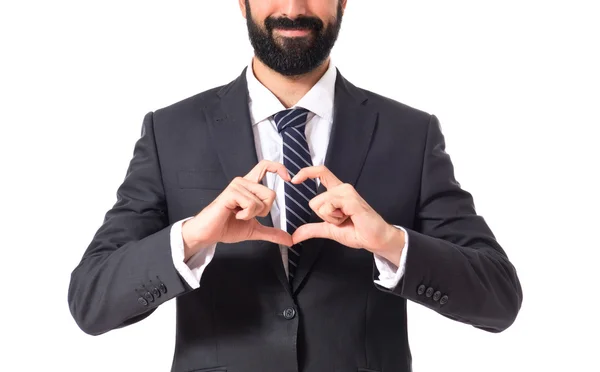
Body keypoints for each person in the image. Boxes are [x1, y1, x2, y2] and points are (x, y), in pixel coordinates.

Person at [68, 1, 523, 371]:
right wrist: (193, 238)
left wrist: (391, 243)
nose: (292, 7)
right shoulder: (171, 131)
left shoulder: (410, 133)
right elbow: (91, 301)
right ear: (241, 3)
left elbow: (499, 299)